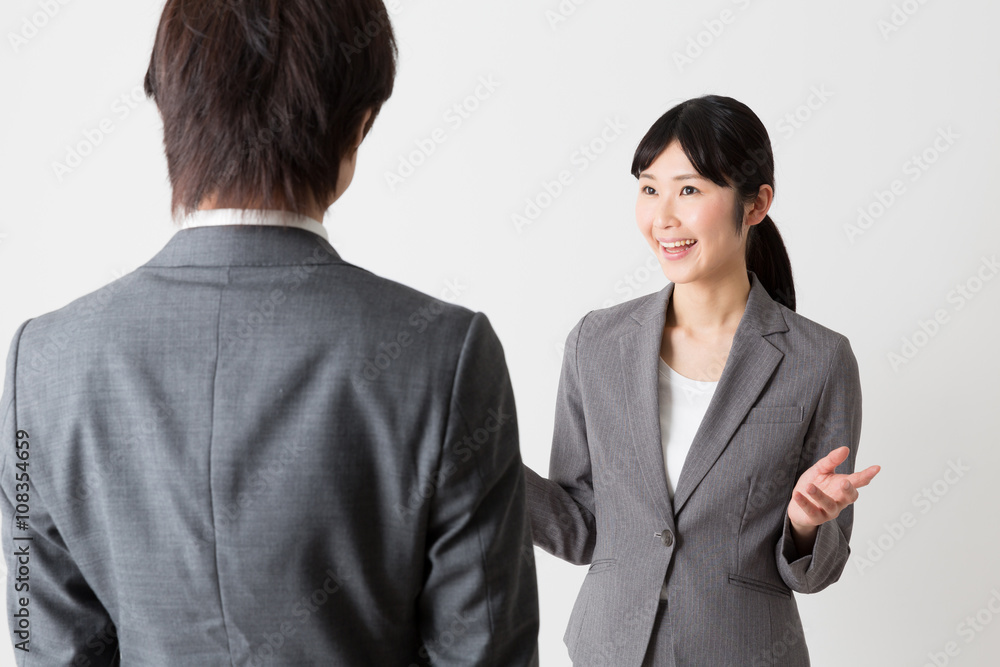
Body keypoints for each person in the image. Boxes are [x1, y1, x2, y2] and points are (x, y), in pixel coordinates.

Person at [0, 1, 539, 664]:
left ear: (169, 113)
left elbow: (43, 638)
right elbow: (485, 651)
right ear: (359, 128)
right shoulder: (445, 355)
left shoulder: (43, 365)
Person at [523, 94, 881, 666]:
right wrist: (482, 466)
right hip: (610, 651)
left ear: (756, 204)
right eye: (648, 187)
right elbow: (583, 527)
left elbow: (817, 571)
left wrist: (805, 524)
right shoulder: (596, 343)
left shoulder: (820, 360)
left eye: (689, 189)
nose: (663, 216)